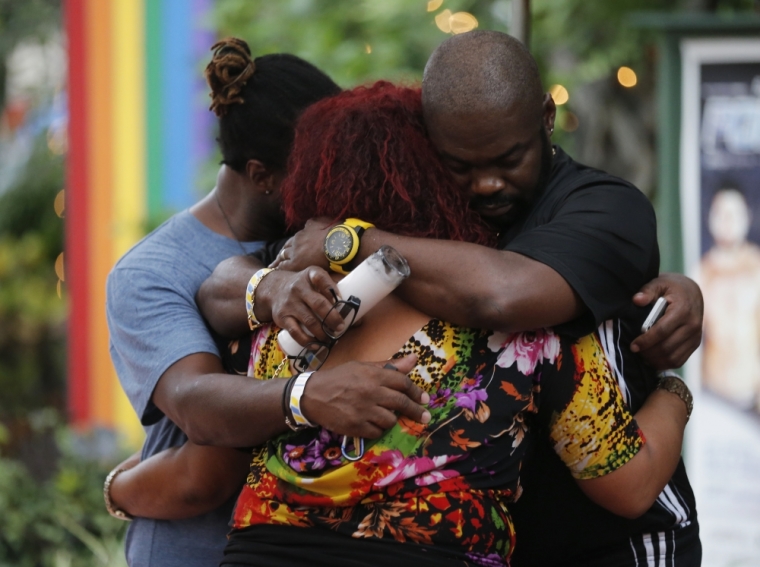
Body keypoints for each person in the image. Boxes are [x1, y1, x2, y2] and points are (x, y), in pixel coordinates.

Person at [109, 82, 691, 567]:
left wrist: (116, 489)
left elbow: (202, 472)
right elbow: (630, 485)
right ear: (438, 176)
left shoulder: (276, 318)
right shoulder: (530, 338)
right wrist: (673, 388)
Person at [104, 39, 352, 566]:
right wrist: (118, 489)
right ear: (262, 175)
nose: (335, 184)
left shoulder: (331, 233)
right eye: (317, 171)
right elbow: (201, 442)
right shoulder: (151, 274)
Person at [699, 186, 760, 411]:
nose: (727, 220)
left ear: (747, 217)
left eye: (734, 213)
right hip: (712, 394)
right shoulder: (702, 272)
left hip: (751, 395)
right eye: (721, 213)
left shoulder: (756, 268)